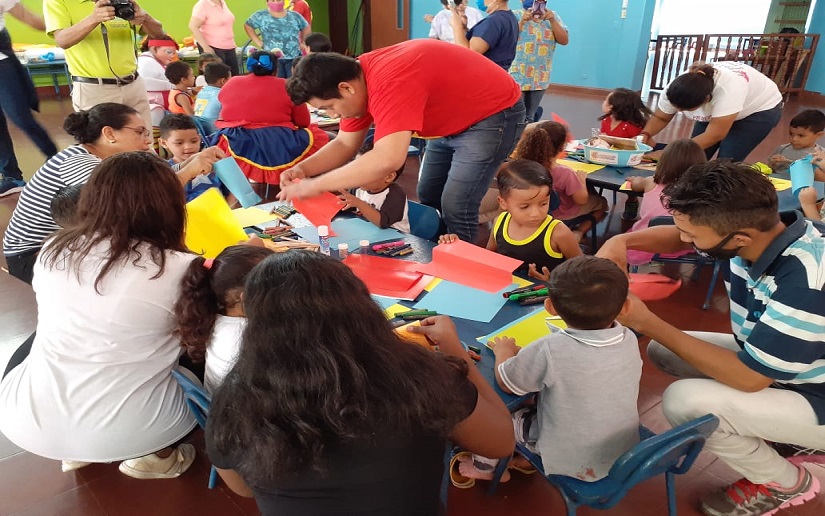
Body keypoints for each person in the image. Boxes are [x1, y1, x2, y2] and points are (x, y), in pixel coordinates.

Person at [205, 250, 515, 514]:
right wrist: (455, 351)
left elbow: (244, 488)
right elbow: (501, 441)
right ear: (361, 305)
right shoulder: (423, 376)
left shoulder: (234, 399)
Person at [596, 161, 825, 516]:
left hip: (815, 393)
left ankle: (786, 482)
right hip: (799, 369)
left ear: (739, 238)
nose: (684, 240)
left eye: (692, 235)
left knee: (685, 403)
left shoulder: (807, 281)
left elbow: (750, 378)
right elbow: (680, 235)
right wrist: (620, 241)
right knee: (664, 351)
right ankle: (787, 433)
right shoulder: (765, 228)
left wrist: (647, 321)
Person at [0, 152, 204, 478]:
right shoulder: (182, 267)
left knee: (54, 331)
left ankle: (76, 451)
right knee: (212, 344)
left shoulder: (54, 249)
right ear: (169, 206)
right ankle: (158, 456)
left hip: (25, 420)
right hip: (141, 429)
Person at [280, 40, 525, 243]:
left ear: (345, 88)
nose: (332, 115)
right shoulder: (357, 82)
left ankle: (462, 270)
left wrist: (316, 185)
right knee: (428, 192)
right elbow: (345, 144)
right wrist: (304, 169)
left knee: (457, 204)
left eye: (329, 107)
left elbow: (387, 159)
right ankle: (439, 248)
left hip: (492, 114)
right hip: (452, 116)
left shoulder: (389, 83)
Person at [456, 255, 641, 484]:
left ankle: (487, 468)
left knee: (489, 419)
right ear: (625, 307)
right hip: (623, 449)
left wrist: (504, 351)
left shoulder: (551, 349)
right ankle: (525, 457)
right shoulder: (628, 337)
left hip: (573, 456)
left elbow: (506, 381)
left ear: (550, 307)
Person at [2, 103, 224, 283]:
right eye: (139, 132)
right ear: (109, 133)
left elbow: (150, 182)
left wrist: (192, 162)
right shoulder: (77, 162)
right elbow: (132, 199)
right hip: (35, 255)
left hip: (71, 246)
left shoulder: (108, 161)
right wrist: (188, 171)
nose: (147, 140)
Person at [440, 159, 582, 281]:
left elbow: (583, 272)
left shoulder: (558, 232)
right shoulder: (500, 222)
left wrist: (552, 283)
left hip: (545, 299)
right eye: (524, 207)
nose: (535, 213)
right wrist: (455, 246)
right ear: (503, 203)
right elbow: (488, 258)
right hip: (506, 294)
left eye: (543, 204)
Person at [213, 51, 328, 185]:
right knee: (326, 140)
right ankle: (318, 187)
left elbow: (225, 110)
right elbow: (303, 122)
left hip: (236, 143)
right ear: (276, 69)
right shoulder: (287, 85)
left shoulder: (232, 82)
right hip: (280, 144)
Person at [45, 0, 166, 127]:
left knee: (144, 137)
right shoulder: (58, 1)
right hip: (94, 89)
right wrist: (94, 19)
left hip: (134, 85)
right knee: (102, 138)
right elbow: (62, 40)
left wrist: (145, 17)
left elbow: (158, 34)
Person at [174, 245, 273, 394]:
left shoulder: (215, 315)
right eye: (277, 287)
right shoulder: (252, 337)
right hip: (244, 406)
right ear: (245, 297)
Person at [640, 61, 783, 162]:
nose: (679, 111)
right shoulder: (679, 87)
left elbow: (715, 134)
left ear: (706, 100)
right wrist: (644, 135)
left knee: (725, 162)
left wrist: (669, 153)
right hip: (725, 103)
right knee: (694, 157)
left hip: (758, 110)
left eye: (685, 109)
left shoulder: (728, 90)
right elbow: (661, 117)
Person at [514, 121, 607, 242]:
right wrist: (581, 181)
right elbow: (581, 200)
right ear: (563, 146)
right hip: (562, 216)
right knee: (602, 203)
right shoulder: (565, 173)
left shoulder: (523, 165)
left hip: (532, 212)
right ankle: (579, 232)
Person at [0, 0, 57, 196]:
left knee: (20, 117)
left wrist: (63, 26)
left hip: (2, 63)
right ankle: (12, 177)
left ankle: (55, 160)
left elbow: (35, 22)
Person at [623, 139, 707, 266]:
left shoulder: (651, 182)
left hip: (645, 242)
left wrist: (635, 179)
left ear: (664, 162)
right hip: (679, 243)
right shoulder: (702, 193)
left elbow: (635, 185)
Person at [510, 0, 569, 123]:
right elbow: (508, 38)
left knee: (530, 116)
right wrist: (522, 22)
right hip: (517, 75)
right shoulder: (514, 16)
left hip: (540, 76)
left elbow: (564, 40)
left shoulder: (553, 16)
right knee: (516, 115)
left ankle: (530, 129)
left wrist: (552, 20)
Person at [337, 140, 410, 233]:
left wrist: (359, 203)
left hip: (395, 238)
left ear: (389, 177)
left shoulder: (396, 194)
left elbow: (383, 223)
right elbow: (346, 206)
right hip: (368, 232)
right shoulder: (358, 189)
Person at [158, 114, 222, 202]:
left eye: (194, 141)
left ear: (200, 138)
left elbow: (233, 192)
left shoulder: (213, 161)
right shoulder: (163, 171)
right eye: (179, 143)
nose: (188, 147)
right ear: (163, 143)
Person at [244, 0, 309, 78]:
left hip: (294, 57)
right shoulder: (260, 15)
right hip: (272, 59)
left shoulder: (294, 16)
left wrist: (304, 42)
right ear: (267, 2)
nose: (276, 3)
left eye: (279, 0)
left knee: (295, 81)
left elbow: (306, 27)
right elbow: (248, 26)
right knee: (276, 82)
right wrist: (258, 41)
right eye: (273, 0)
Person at [451, 0, 519, 70]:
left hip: (487, 73)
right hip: (498, 73)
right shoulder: (510, 18)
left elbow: (468, 54)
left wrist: (457, 27)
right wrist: (464, 28)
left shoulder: (494, 21)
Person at [189, 0, 239, 76]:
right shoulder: (202, 5)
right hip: (213, 48)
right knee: (218, 77)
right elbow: (193, 26)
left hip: (229, 47)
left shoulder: (222, 2)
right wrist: (206, 48)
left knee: (234, 76)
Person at [136, 35, 177, 126]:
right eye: (169, 52)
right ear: (154, 49)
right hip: (153, 110)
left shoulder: (154, 61)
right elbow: (143, 82)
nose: (172, 56)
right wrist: (173, 86)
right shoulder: (146, 62)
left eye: (174, 53)